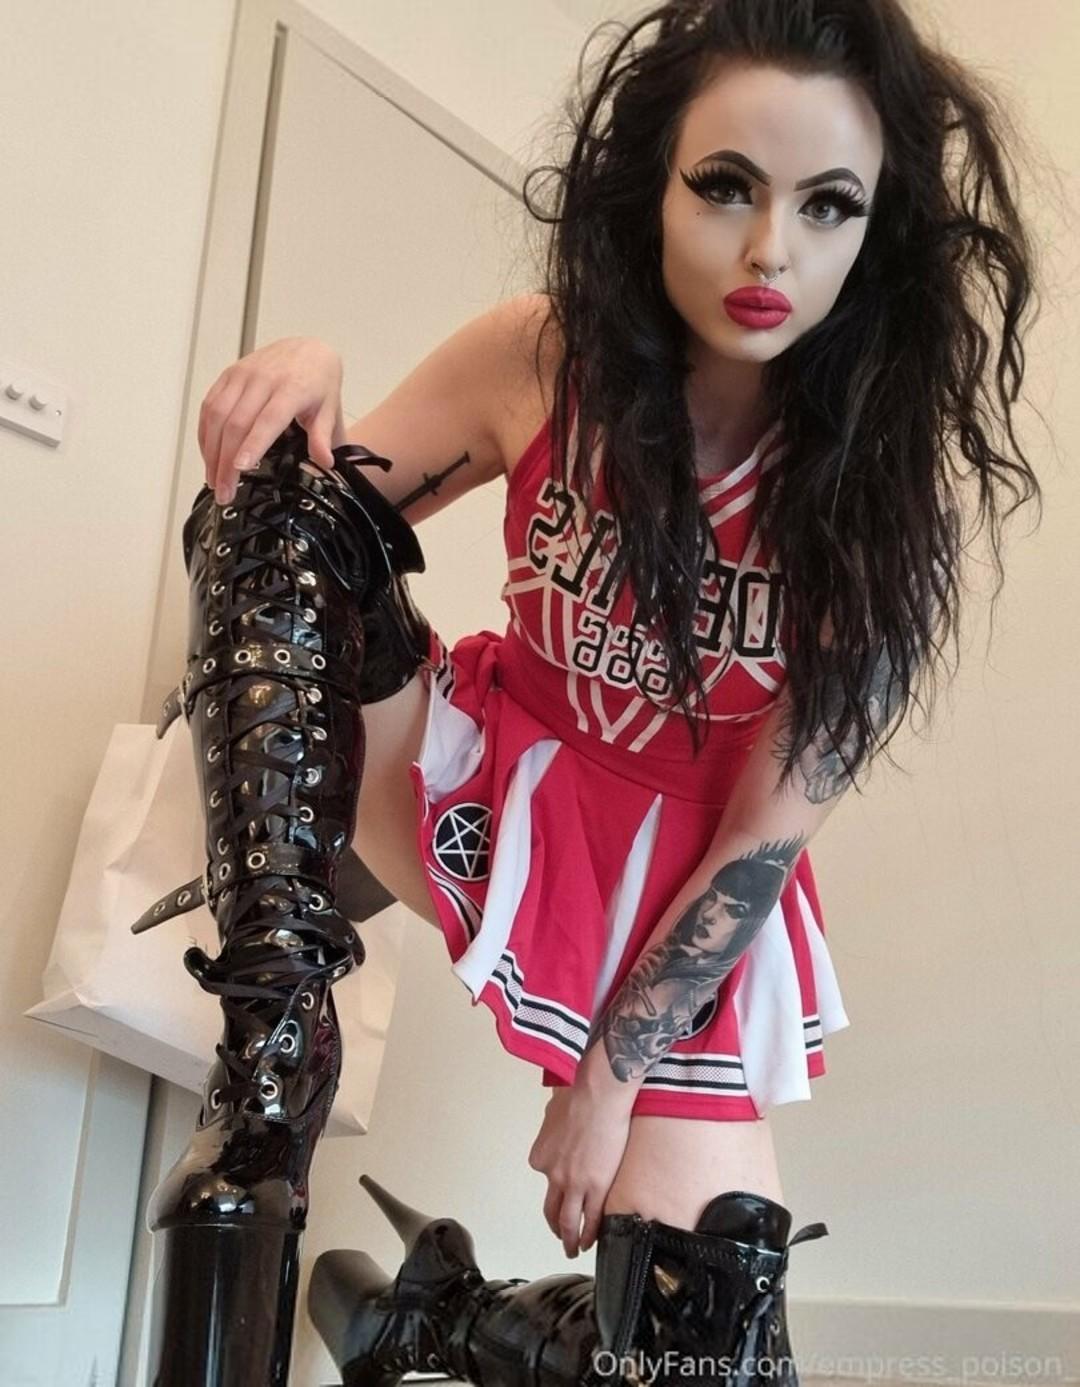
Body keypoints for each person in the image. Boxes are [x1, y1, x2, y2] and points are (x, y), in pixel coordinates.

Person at [136, 0, 1045, 1382]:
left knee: (707, 1343)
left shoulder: (875, 508)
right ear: (650, 184)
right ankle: (270, 1070)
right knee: (276, 503)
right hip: (477, 791)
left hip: (681, 896)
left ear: (882, 235)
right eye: (726, 185)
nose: (771, 250)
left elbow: (759, 847)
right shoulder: (544, 355)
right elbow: (291, 538)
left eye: (829, 205)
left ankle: (441, 1314)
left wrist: (607, 1083)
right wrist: (304, 384)